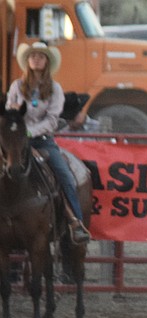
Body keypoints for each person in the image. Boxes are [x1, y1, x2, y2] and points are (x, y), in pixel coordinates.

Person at [5, 41, 91, 243]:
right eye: (33, 56)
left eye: (40, 57)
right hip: (15, 142)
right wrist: (15, 116)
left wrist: (28, 132)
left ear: (46, 62)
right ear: (28, 61)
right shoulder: (16, 86)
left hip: (42, 142)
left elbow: (52, 120)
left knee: (65, 176)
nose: (36, 59)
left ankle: (75, 221)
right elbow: (10, 114)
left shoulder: (55, 89)